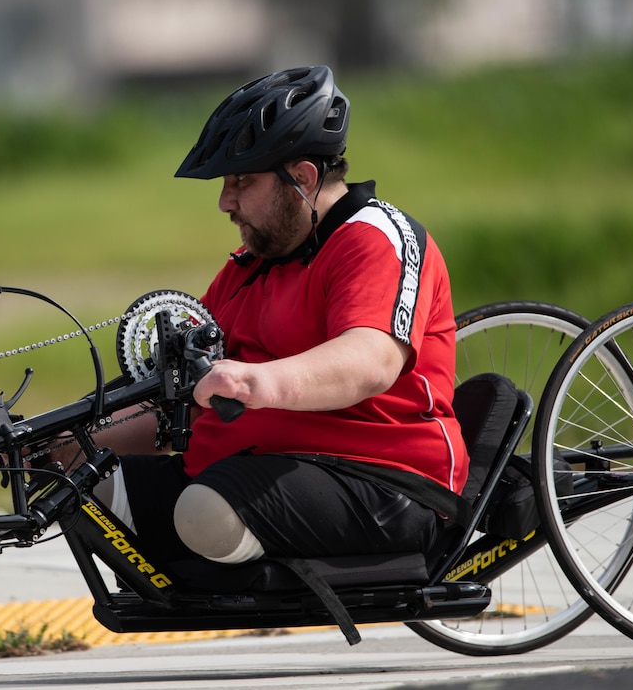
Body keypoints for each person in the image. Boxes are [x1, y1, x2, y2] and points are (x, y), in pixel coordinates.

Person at [84, 65, 465, 569]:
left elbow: (368, 360)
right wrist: (71, 442)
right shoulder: (252, 264)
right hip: (249, 473)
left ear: (303, 177)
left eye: (242, 181)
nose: (225, 202)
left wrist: (256, 381)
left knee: (205, 511)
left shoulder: (373, 240)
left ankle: (247, 571)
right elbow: (183, 405)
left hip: (383, 480)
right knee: (76, 484)